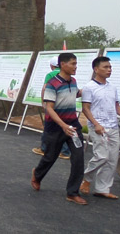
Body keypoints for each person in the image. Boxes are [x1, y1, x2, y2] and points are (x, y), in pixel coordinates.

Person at [31, 53, 86, 205]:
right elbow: (49, 108)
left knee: (78, 158)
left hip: (73, 127)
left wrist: (90, 89)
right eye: (73, 64)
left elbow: (73, 94)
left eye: (76, 63)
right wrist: (63, 126)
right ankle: (37, 174)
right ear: (63, 64)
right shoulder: (52, 84)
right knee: (50, 157)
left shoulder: (73, 81)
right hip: (55, 128)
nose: (76, 67)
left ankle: (72, 192)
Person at [79, 56, 120, 199]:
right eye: (105, 67)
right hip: (98, 127)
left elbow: (116, 106)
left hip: (113, 127)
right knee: (101, 156)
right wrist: (96, 124)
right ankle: (86, 179)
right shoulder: (89, 87)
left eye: (110, 67)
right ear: (96, 69)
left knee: (112, 160)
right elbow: (86, 108)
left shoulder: (112, 87)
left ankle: (102, 189)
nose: (109, 70)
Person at [32, 58, 71, 160]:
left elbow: (45, 87)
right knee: (63, 126)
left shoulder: (50, 75)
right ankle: (66, 151)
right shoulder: (67, 74)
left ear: (52, 66)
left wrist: (43, 103)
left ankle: (44, 148)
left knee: (48, 127)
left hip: (52, 104)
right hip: (64, 105)